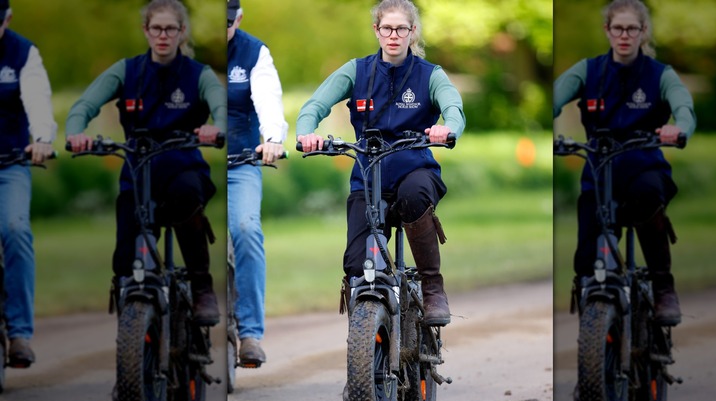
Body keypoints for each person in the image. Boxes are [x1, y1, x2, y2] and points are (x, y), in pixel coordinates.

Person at [297, 0, 465, 327]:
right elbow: (315, 104)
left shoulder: (430, 75)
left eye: (401, 28)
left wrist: (448, 129)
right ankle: (365, 349)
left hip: (414, 170)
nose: (393, 35)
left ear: (412, 32)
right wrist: (307, 132)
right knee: (357, 267)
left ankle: (432, 288)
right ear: (376, 30)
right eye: (386, 28)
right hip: (367, 176)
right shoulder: (356, 71)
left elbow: (454, 107)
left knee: (415, 195)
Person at [66, 0, 226, 327]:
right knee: (124, 263)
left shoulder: (199, 74)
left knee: (186, 198)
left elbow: (221, 108)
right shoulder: (127, 71)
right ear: (146, 31)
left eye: (170, 28)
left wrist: (216, 128)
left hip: (183, 169)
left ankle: (201, 287)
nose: (163, 35)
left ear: (181, 32)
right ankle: (134, 347)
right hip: (138, 176)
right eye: (156, 28)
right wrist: (75, 133)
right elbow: (84, 105)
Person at [553, 0, 696, 326]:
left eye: (632, 28)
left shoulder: (660, 75)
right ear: (607, 30)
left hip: (644, 167)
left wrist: (679, 129)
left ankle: (663, 288)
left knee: (648, 197)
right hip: (599, 174)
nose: (625, 35)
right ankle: (596, 346)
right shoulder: (588, 71)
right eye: (618, 28)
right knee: (586, 262)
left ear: (643, 31)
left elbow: (684, 108)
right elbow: (555, 98)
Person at [227, 0, 287, 366]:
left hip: (240, 162)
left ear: (239, 17)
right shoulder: (182, 51)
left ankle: (249, 333)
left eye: (228, 23)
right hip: (190, 162)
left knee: (246, 229)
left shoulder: (253, 52)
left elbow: (268, 99)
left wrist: (273, 138)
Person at [0, 0, 57, 367]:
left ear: (7, 18)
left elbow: (38, 101)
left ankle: (19, 332)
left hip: (11, 163)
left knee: (15, 229)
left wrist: (42, 139)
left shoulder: (23, 52)